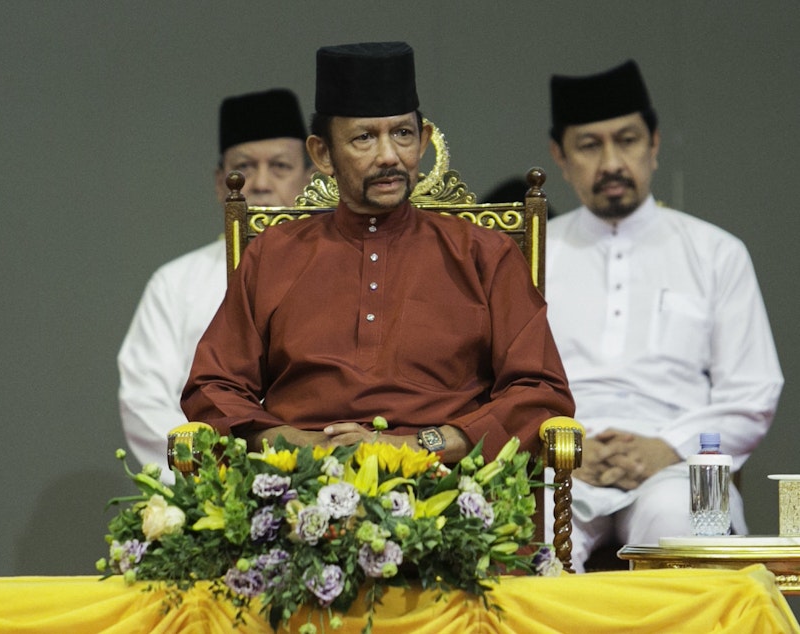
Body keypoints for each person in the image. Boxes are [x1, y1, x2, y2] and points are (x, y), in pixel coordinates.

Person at [182, 41, 575, 464]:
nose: (389, 156)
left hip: (449, 490)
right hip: (299, 490)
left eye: (402, 134)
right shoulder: (275, 255)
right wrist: (300, 445)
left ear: (423, 142)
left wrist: (416, 446)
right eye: (365, 138)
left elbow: (540, 392)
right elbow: (212, 389)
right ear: (322, 154)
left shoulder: (483, 254)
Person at [544, 60, 783, 571]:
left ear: (653, 143)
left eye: (627, 140)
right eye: (589, 146)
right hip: (562, 462)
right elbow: (498, 386)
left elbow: (753, 393)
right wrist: (563, 448)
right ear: (559, 156)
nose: (611, 162)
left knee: (687, 522)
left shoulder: (715, 252)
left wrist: (668, 448)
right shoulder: (530, 259)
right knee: (525, 533)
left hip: (683, 463)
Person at [118, 89, 313, 478]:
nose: (259, 183)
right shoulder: (175, 282)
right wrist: (219, 474)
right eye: (243, 167)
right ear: (220, 182)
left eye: (279, 166)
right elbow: (145, 401)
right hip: (214, 492)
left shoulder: (342, 269)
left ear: (311, 179)